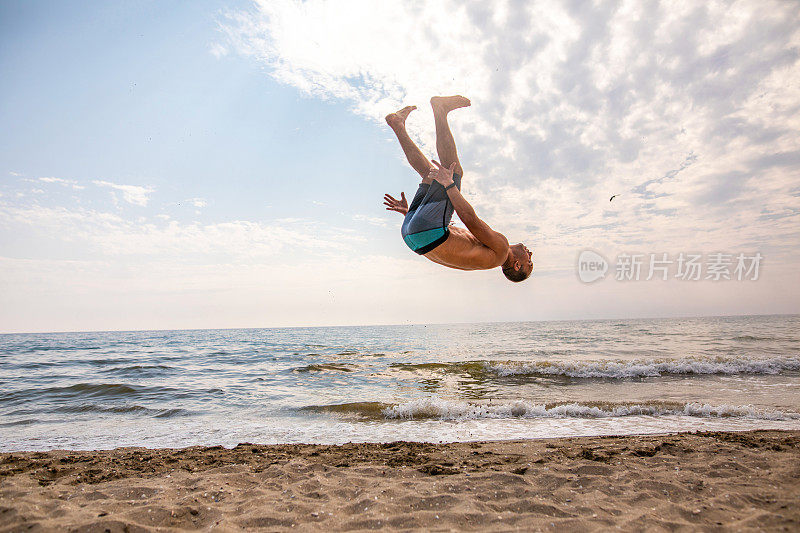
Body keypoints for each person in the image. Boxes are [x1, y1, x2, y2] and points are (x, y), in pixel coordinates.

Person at [383, 96, 533, 282]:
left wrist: (450, 185)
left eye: (530, 261)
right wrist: (409, 213)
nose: (531, 254)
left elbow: (471, 220)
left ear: (517, 265)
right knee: (430, 175)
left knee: (452, 172)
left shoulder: (502, 250)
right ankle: (397, 125)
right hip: (413, 237)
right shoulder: (488, 258)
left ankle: (440, 110)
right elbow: (449, 246)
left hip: (429, 232)